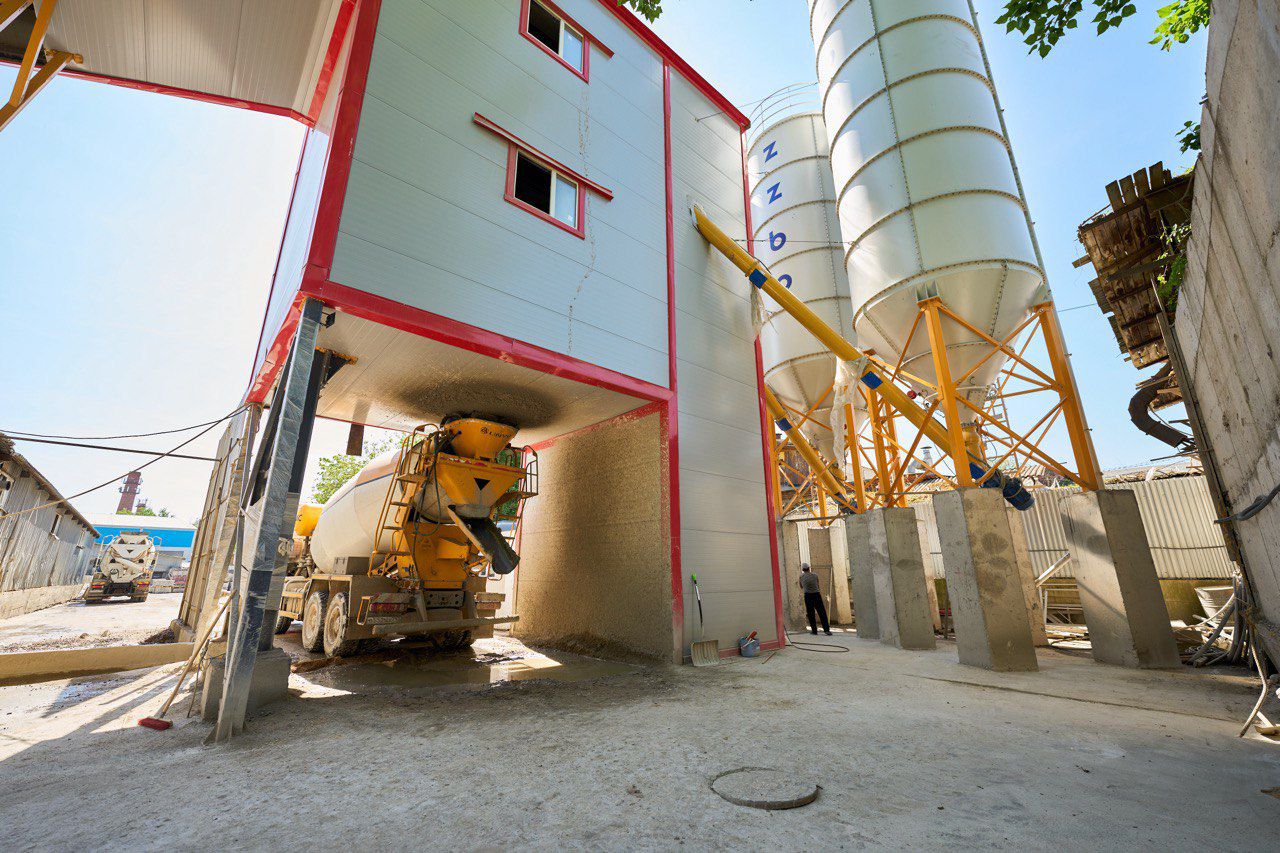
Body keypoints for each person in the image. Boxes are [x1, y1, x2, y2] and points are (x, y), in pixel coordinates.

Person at [798, 563, 831, 635]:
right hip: (816, 595)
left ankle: (814, 631)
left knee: (810, 614)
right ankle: (826, 630)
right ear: (809, 568)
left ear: (802, 569)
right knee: (822, 612)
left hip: (808, 596)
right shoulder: (815, 575)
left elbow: (801, 586)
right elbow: (817, 585)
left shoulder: (801, 576)